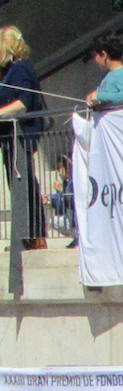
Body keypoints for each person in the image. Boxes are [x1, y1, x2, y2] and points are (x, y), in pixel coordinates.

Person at [0, 25, 46, 250]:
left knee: (24, 185)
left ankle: (33, 235)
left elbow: (24, 102)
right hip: (10, 138)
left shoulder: (20, 69)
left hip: (20, 137)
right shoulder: (10, 71)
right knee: (18, 186)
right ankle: (24, 236)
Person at [86, 34, 123, 107]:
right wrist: (93, 98)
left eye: (95, 55)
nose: (95, 59)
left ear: (104, 54)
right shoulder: (109, 75)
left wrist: (99, 96)